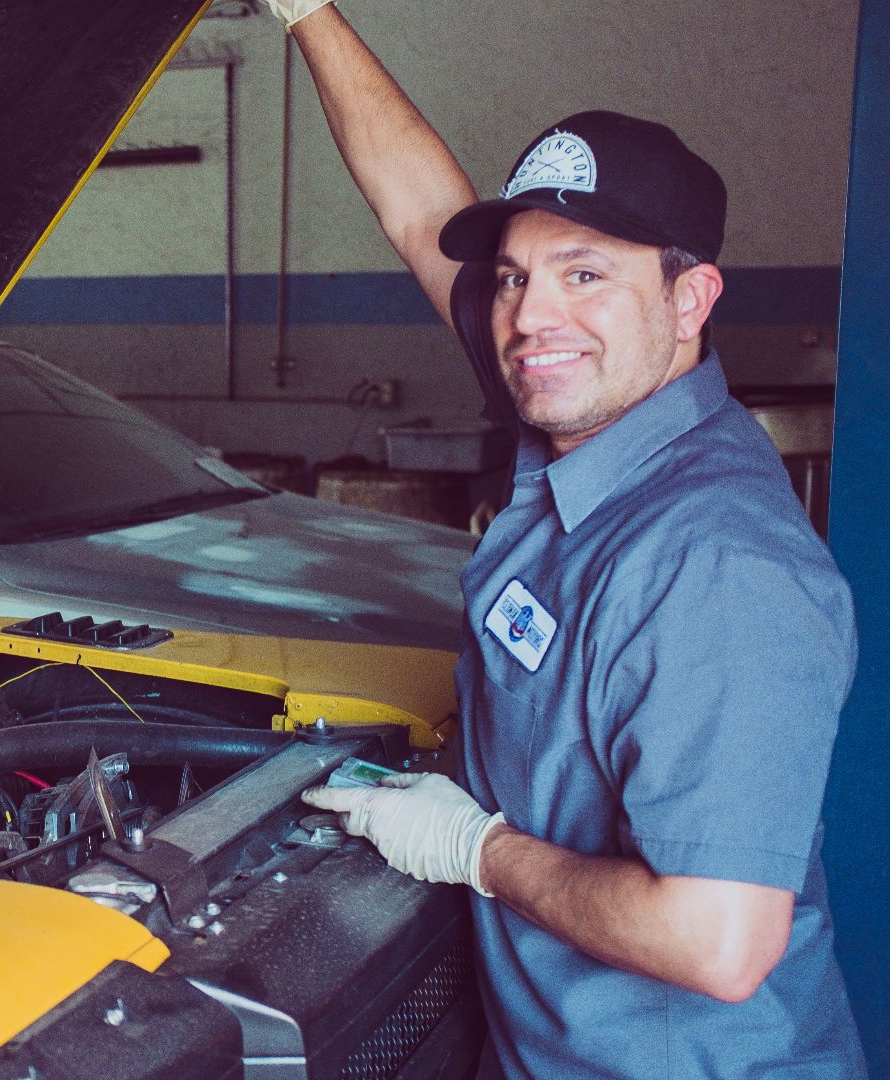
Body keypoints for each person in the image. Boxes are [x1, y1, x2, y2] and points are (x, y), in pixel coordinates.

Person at [268, 2, 869, 1076]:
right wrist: (308, 12)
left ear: (690, 300)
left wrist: (476, 850)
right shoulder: (584, 421)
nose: (530, 317)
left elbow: (720, 942)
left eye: (584, 274)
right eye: (513, 276)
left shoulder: (714, 564)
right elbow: (419, 213)